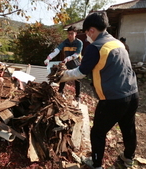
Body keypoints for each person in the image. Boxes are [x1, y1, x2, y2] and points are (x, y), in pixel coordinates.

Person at [54, 12, 139, 169]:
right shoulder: (117, 43)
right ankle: (128, 158)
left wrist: (60, 77)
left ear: (91, 30)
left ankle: (96, 164)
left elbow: (80, 72)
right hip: (133, 94)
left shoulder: (96, 47)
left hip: (113, 100)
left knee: (98, 133)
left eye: (86, 33)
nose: (87, 37)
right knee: (128, 127)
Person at [44, 26, 83, 102]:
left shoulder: (79, 43)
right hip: (66, 63)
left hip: (76, 63)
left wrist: (68, 58)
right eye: (68, 34)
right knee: (63, 77)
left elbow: (77, 54)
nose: (70, 35)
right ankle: (60, 91)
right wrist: (48, 58)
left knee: (77, 80)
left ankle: (78, 96)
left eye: (72, 34)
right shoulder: (65, 42)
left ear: (75, 34)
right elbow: (57, 50)